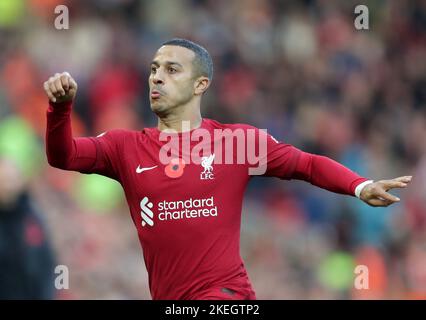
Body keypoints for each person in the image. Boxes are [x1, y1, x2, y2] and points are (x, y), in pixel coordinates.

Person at [44, 38, 412, 300]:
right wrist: (60, 110)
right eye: (154, 69)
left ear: (200, 84)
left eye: (172, 70)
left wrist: (360, 186)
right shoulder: (124, 146)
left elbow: (306, 164)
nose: (157, 77)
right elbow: (65, 157)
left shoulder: (236, 143)